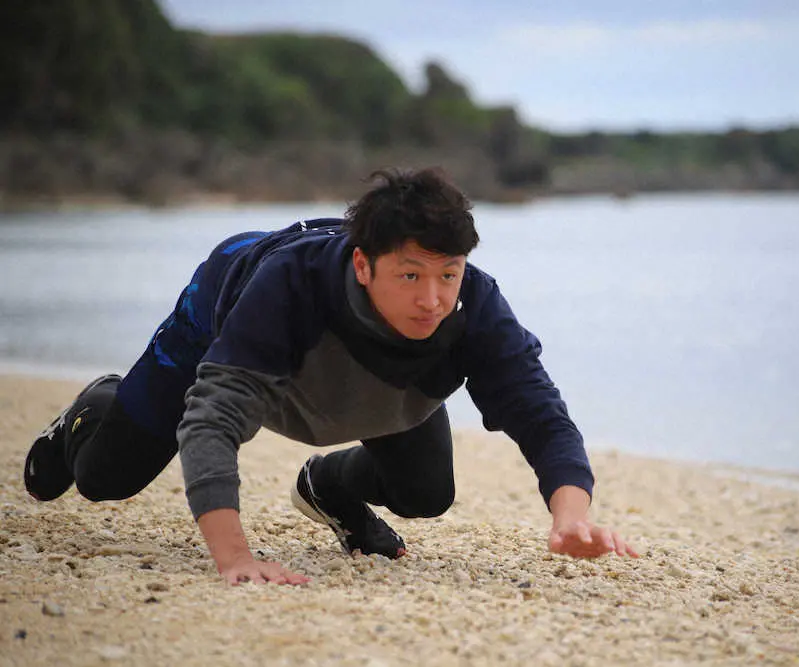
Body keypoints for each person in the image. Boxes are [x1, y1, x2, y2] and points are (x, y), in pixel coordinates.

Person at [24, 167, 639, 586]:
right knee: (104, 480)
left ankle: (325, 486)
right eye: (410, 275)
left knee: (428, 494)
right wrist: (235, 558)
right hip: (221, 312)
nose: (432, 298)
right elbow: (214, 417)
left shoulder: (473, 305)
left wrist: (569, 514)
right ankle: (99, 405)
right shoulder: (287, 289)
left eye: (447, 273)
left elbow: (540, 413)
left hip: (380, 394)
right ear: (364, 265)